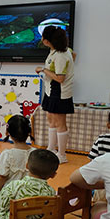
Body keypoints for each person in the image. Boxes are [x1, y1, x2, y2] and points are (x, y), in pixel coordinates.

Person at [35, 25, 76, 164]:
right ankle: (51, 149)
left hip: (59, 91)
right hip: (50, 90)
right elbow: (74, 55)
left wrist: (43, 70)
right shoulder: (59, 51)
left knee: (60, 123)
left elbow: (60, 78)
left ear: (47, 40)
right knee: (51, 120)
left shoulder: (60, 55)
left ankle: (62, 155)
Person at [0, 115, 35, 201]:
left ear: (7, 132)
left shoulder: (8, 154)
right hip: (28, 194)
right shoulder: (35, 153)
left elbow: (2, 176)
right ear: (29, 132)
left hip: (9, 194)